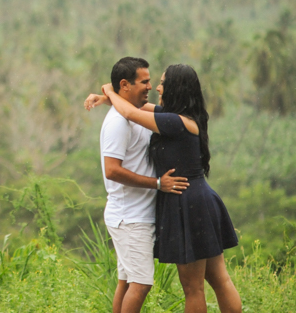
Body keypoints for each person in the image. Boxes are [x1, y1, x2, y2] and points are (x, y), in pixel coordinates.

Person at [96, 63, 241, 313]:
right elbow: (134, 108)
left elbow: (131, 114)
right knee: (219, 279)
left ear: (175, 88)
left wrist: (110, 92)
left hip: (188, 202)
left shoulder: (174, 122)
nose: (157, 88)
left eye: (162, 82)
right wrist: (107, 97)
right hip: (199, 198)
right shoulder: (183, 117)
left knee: (193, 288)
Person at [95, 57, 189, 313]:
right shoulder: (118, 122)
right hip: (130, 217)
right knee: (141, 283)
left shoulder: (137, 113)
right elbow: (112, 170)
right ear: (125, 85)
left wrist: (106, 93)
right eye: (144, 82)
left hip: (135, 214)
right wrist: (158, 183)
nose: (149, 87)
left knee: (126, 282)